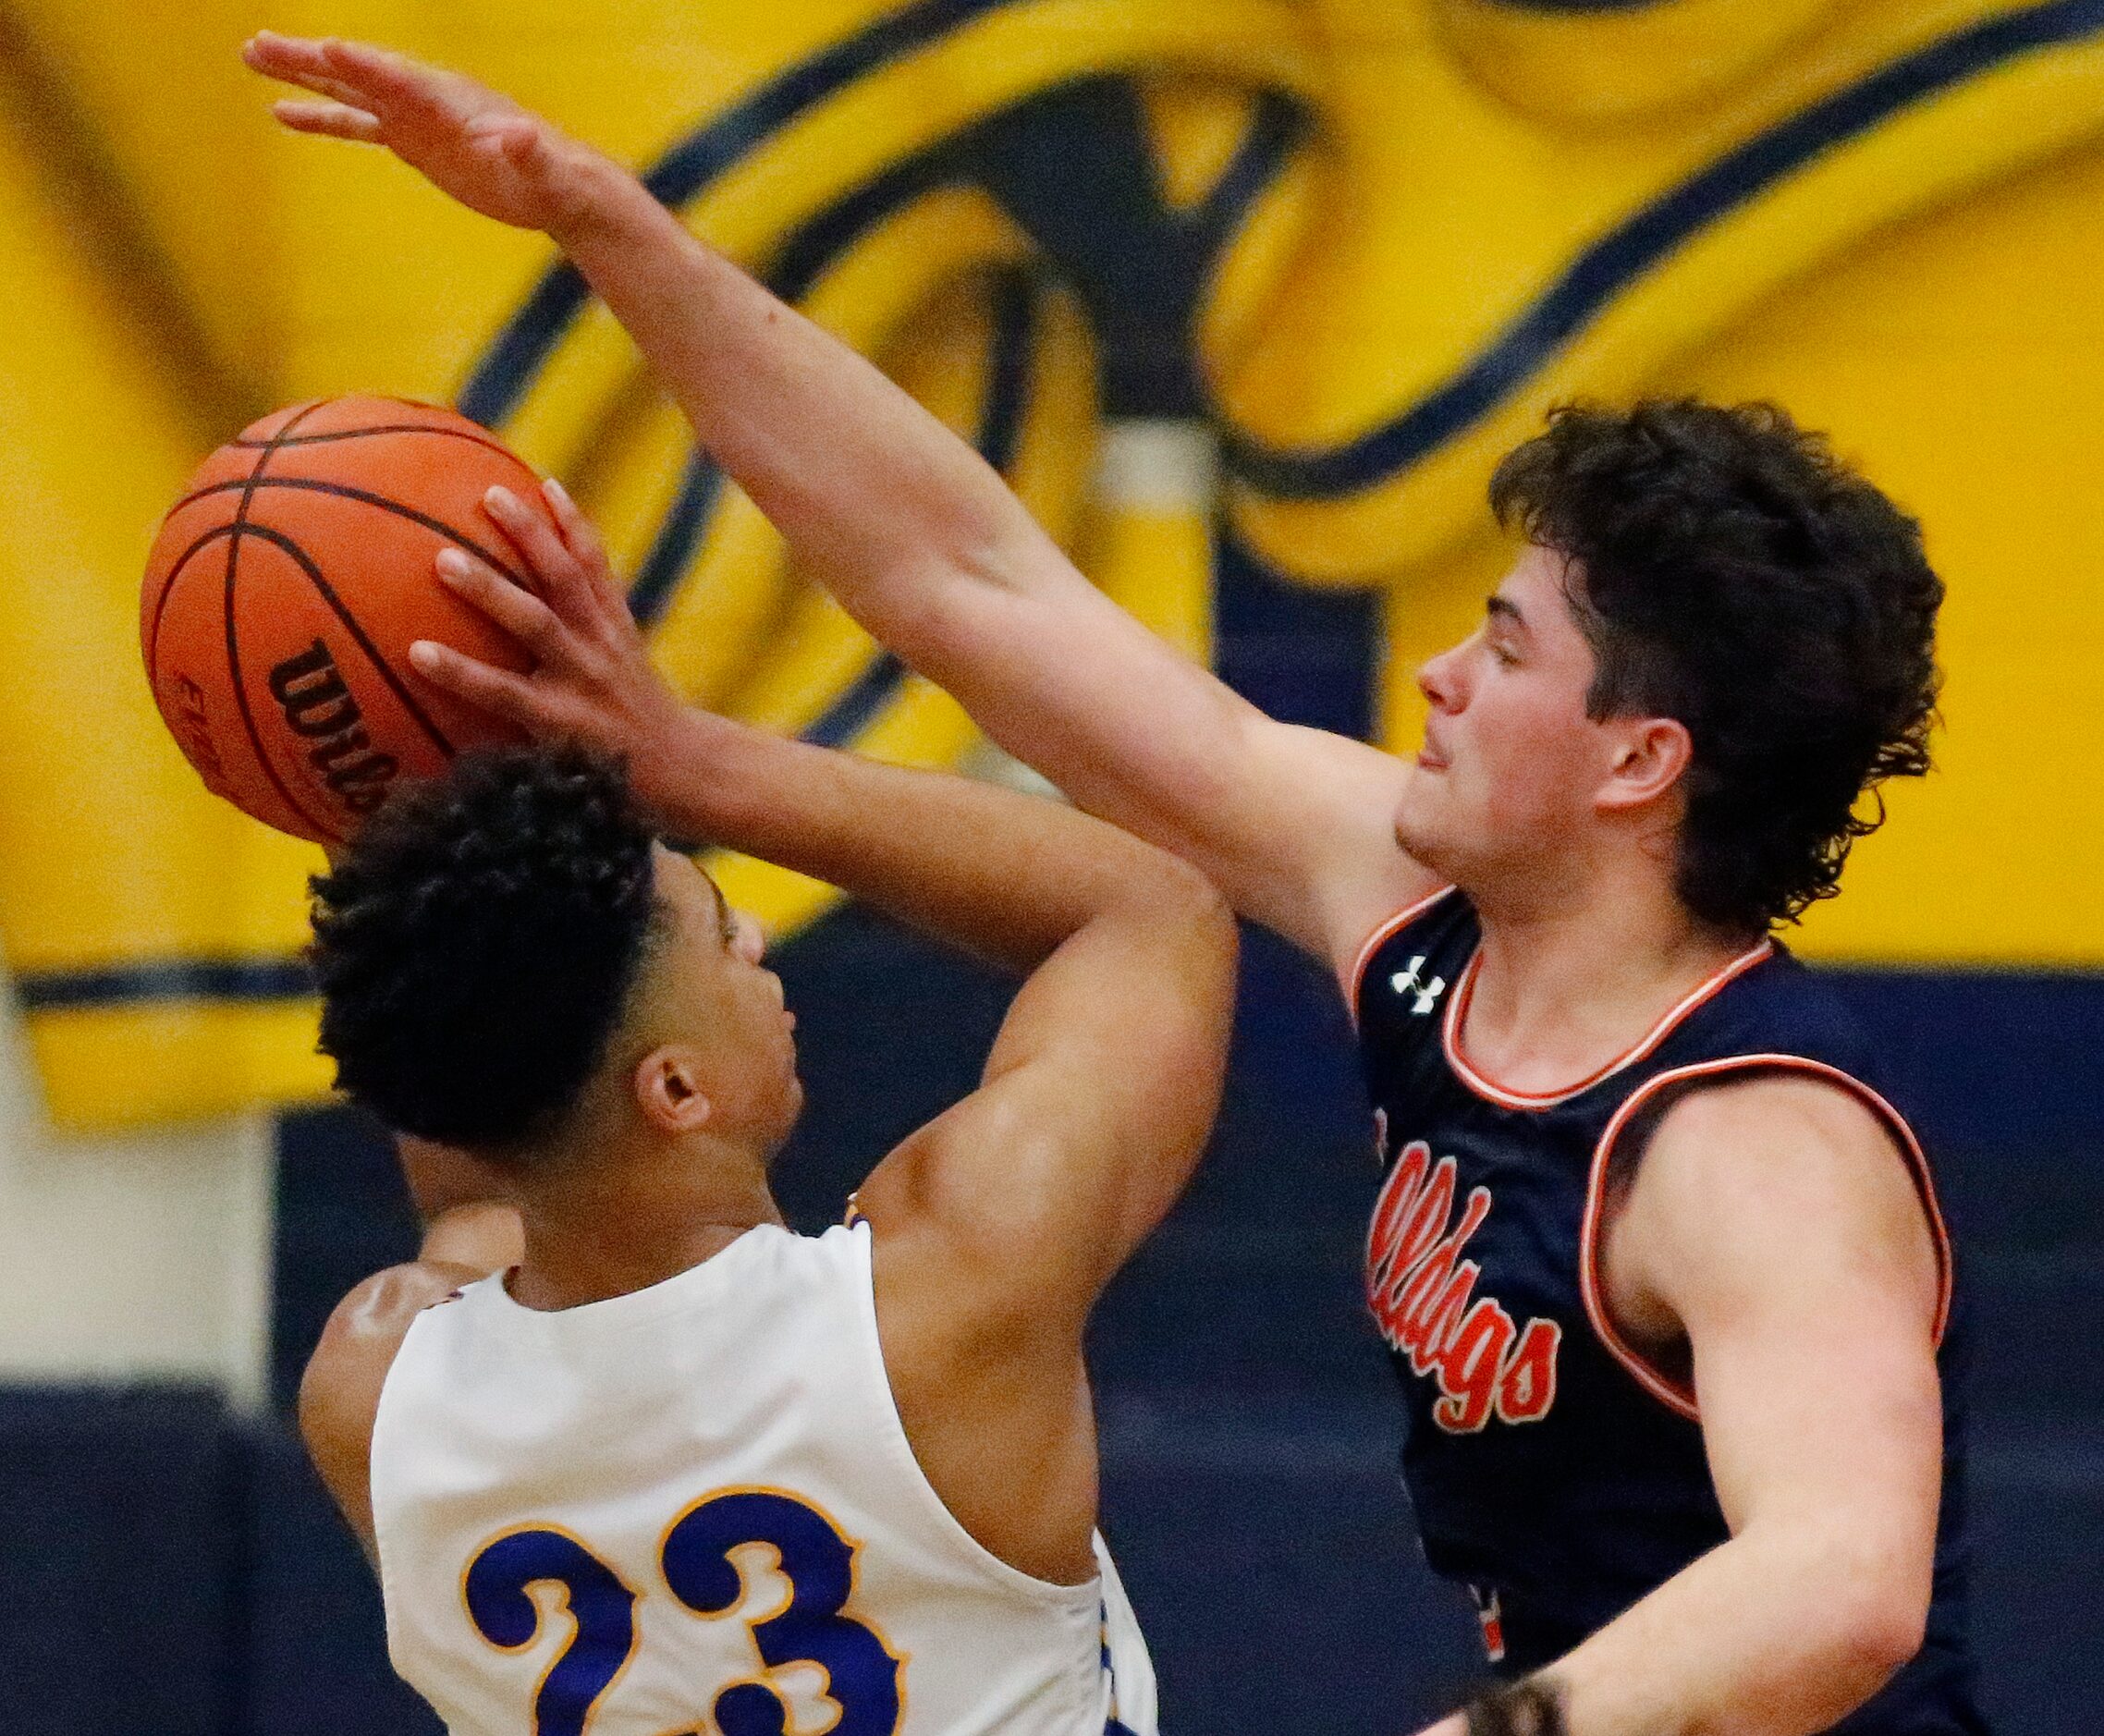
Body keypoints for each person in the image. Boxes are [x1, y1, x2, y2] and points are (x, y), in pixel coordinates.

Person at [245, 34, 1983, 1736]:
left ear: (1638, 760)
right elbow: (964, 577)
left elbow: (1842, 1579)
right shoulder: (1421, 914)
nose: (1441, 673)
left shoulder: (1751, 1146)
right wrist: (603, 221)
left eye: (1506, 647)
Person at [296, 493, 1238, 1734]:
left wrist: (443, 836)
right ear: (676, 1089)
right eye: (719, 934)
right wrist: (696, 766)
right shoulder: (950, 1285)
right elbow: (1155, 914)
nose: (753, 936)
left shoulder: (374, 1394)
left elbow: (478, 1153)